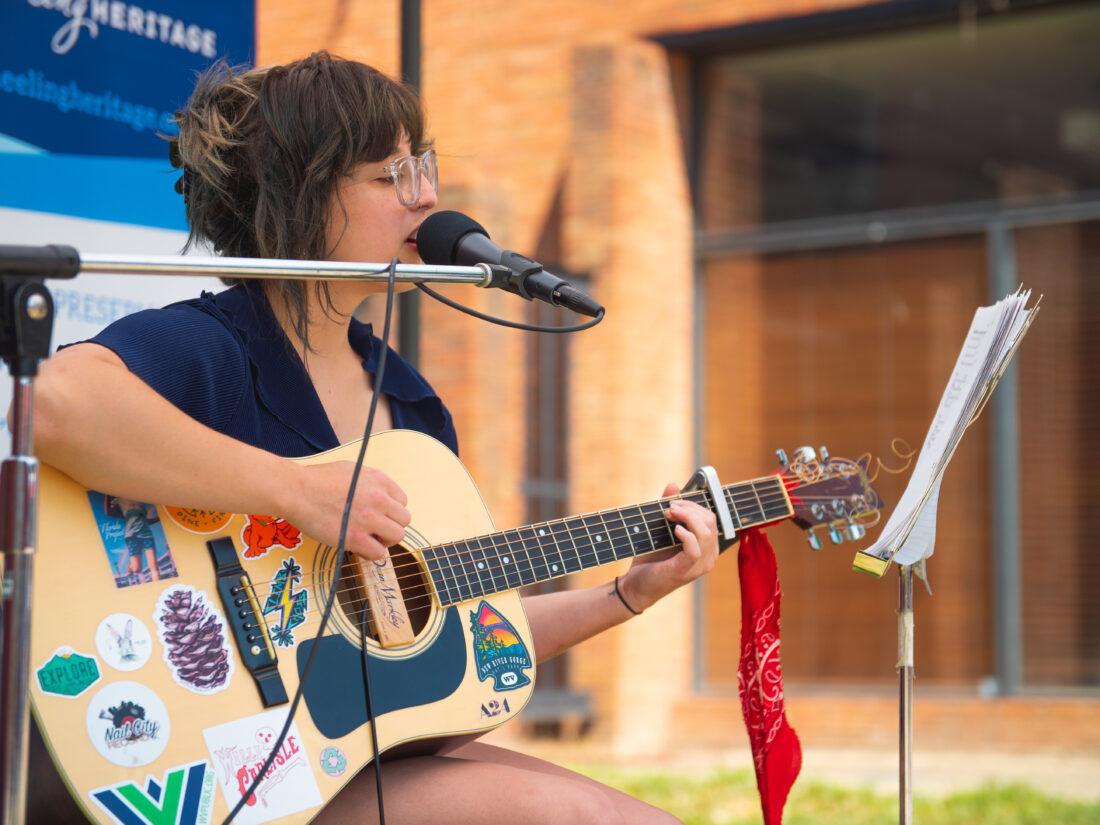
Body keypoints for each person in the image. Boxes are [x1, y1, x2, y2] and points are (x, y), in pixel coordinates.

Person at [32, 51, 718, 825]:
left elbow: (468, 630)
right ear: (302, 194)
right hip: (211, 764)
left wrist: (627, 592)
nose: (426, 196)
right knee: (570, 814)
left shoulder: (412, 408)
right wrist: (292, 490)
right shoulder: (214, 347)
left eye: (423, 165)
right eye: (392, 173)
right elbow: (54, 404)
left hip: (331, 760)